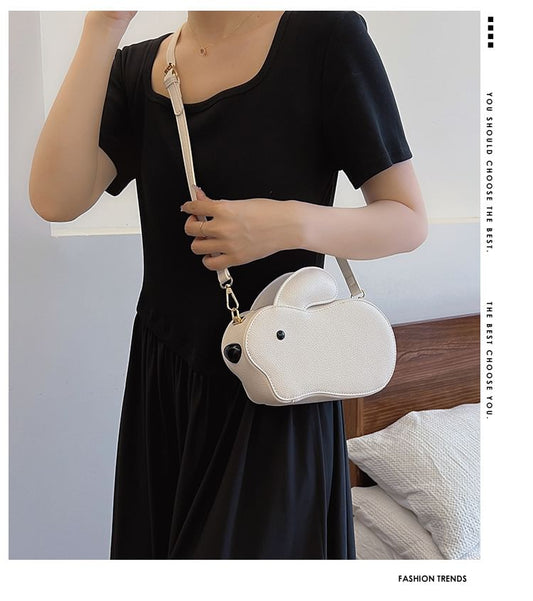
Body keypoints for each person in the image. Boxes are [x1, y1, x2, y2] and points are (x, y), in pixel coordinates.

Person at [29, 10, 427, 559]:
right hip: (164, 390)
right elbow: (55, 199)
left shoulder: (325, 38)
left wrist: (284, 223)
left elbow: (407, 219)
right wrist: (103, 26)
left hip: (276, 385)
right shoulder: (137, 68)